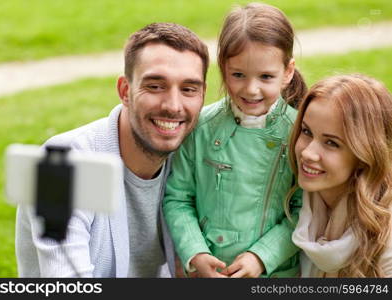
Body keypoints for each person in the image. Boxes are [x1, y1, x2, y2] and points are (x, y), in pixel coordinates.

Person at [15, 22, 209, 277]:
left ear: (202, 96)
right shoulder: (59, 165)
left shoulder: (196, 155)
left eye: (188, 90)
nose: (173, 106)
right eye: (155, 86)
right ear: (125, 91)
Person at [163, 2, 306, 278]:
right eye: (238, 75)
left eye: (266, 77)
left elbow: (305, 210)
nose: (251, 89)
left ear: (287, 72)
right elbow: (178, 198)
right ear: (223, 67)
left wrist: (261, 257)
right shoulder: (202, 127)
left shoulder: (299, 132)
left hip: (275, 275)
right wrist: (196, 253)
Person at [290, 74, 392, 277]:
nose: (307, 153)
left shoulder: (385, 237)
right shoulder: (293, 198)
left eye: (331, 143)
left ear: (365, 155)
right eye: (306, 132)